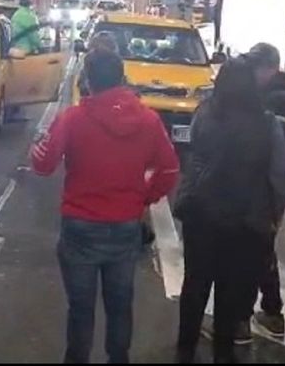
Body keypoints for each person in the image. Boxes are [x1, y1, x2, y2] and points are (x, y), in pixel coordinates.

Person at [30, 50, 179, 364]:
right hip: (124, 225)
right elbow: (169, 171)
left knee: (81, 308)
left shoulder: (73, 118)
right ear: (122, 78)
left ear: (87, 81)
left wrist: (37, 147)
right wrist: (142, 198)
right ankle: (118, 358)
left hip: (79, 226)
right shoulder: (149, 120)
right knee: (120, 303)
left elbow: (43, 166)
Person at [176, 56, 285, 364]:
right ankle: (223, 352)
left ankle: (185, 349)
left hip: (202, 215)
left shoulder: (205, 114)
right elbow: (279, 176)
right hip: (247, 221)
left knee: (195, 284)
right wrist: (274, 215)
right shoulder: (268, 124)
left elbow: (194, 153)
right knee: (232, 291)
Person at [242, 43, 285, 340]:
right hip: (266, 188)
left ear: (270, 68)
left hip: (267, 190)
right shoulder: (275, 96)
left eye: (257, 67)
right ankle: (266, 311)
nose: (252, 73)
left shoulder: (280, 102)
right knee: (259, 248)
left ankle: (262, 313)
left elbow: (279, 153)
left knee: (257, 249)